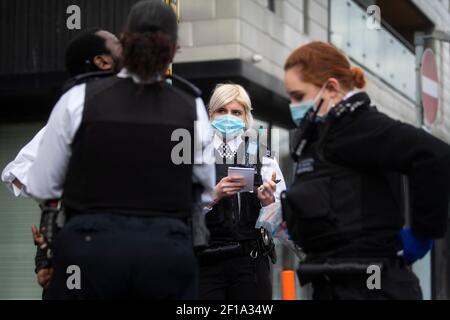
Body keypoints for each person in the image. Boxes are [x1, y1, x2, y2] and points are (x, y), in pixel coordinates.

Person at [26, 0, 215, 300]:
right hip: (166, 251)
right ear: (174, 48)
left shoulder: (79, 98)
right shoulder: (189, 105)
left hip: (89, 250)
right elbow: (204, 190)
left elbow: (42, 184)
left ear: (125, 39)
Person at [281, 41, 450, 300]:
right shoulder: (322, 135)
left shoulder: (359, 126)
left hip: (370, 287)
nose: (292, 105)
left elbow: (433, 154)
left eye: (299, 96)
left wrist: (422, 234)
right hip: (336, 282)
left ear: (332, 88)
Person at [1, 27, 123, 293]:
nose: (125, 45)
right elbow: (16, 173)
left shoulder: (142, 106)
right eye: (117, 43)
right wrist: (60, 197)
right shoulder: (73, 109)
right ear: (102, 61)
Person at [199, 83, 286, 300]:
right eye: (221, 110)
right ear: (210, 114)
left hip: (250, 262)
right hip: (204, 262)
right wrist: (213, 196)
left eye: (236, 112)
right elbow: (178, 209)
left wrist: (268, 203)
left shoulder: (263, 156)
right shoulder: (196, 154)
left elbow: (283, 216)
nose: (228, 117)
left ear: (246, 117)